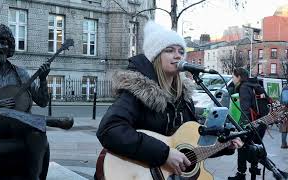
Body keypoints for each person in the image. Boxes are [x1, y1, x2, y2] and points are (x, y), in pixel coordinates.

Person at [95, 21, 243, 179]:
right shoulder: (137, 91)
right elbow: (109, 130)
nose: (178, 55)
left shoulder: (183, 99)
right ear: (156, 56)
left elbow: (191, 150)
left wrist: (225, 145)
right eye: (170, 50)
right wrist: (164, 154)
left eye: (181, 51)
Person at [0, 23, 51, 180]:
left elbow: (42, 102)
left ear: (9, 47)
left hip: (22, 126)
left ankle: (32, 177)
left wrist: (43, 79)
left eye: (4, 43)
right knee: (1, 113)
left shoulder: (21, 73)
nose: (0, 47)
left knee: (38, 135)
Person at [228, 68, 268, 180]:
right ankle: (254, 170)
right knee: (255, 148)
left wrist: (240, 128)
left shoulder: (244, 87)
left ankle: (241, 175)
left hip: (251, 125)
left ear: (239, 77)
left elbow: (245, 110)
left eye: (233, 77)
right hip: (261, 124)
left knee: (241, 146)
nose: (233, 79)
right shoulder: (256, 85)